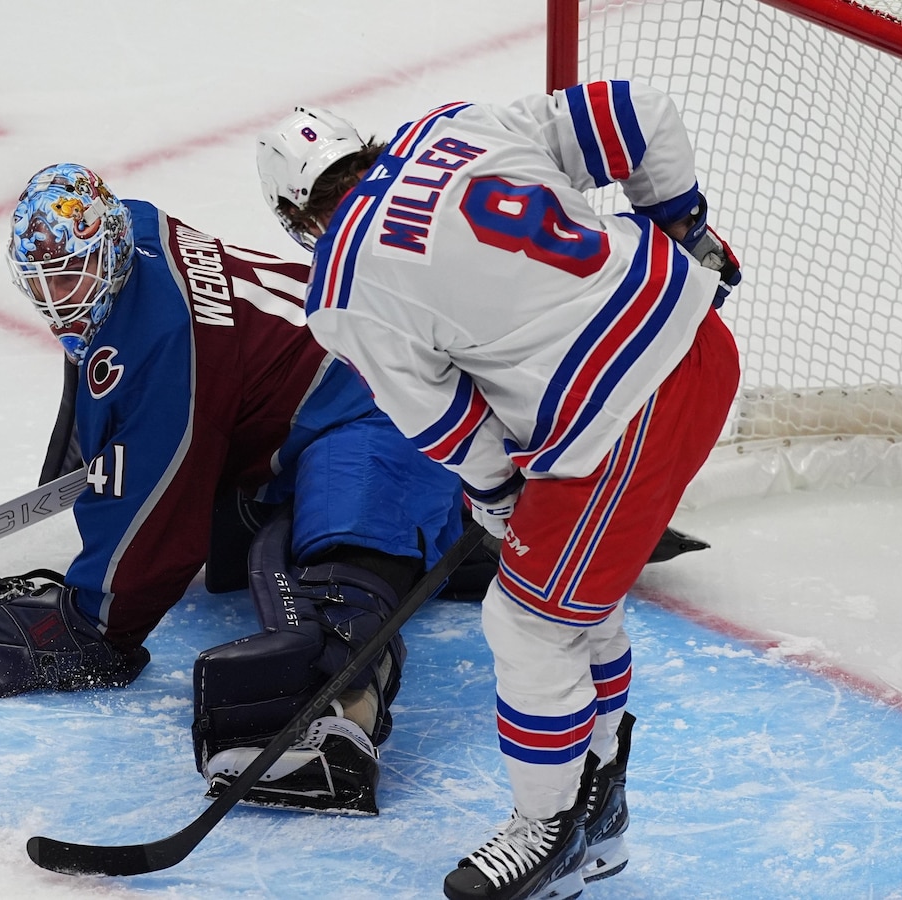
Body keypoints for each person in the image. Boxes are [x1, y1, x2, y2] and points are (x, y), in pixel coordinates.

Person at [255, 85, 741, 899]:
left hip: (626, 413)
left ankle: (550, 830)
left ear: (298, 214)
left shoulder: (343, 284)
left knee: (526, 623)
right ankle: (597, 793)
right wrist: (682, 226)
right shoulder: (452, 125)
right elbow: (639, 116)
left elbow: (443, 422)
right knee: (568, 597)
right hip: (689, 339)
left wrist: (495, 493)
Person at [0, 162, 472, 815]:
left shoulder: (165, 344)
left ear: (107, 251)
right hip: (353, 384)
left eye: (70, 275)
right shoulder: (136, 228)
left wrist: (92, 621)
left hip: (400, 407)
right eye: (43, 282)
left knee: (344, 563)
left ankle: (338, 723)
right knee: (253, 539)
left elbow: (159, 505)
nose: (58, 300)